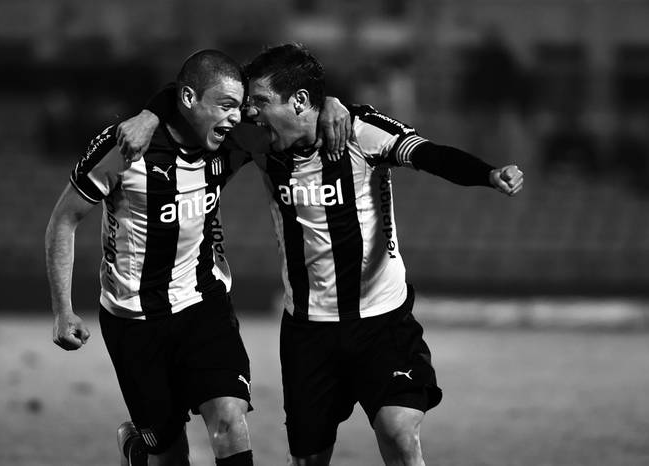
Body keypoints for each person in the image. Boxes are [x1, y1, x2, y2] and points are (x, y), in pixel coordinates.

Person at [120, 43, 523, 466]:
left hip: (382, 322)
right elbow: (188, 94)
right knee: (310, 460)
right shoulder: (261, 144)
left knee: (398, 429)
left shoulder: (360, 131)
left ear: (298, 102)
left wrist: (488, 174)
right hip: (308, 331)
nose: (248, 113)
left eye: (259, 101)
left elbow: (429, 155)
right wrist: (149, 114)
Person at [45, 49, 255, 466]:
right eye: (226, 105)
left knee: (230, 419)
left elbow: (293, 112)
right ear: (190, 98)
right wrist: (62, 310)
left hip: (204, 303)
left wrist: (336, 107)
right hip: (134, 320)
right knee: (167, 451)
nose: (235, 117)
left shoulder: (233, 142)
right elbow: (64, 220)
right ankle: (139, 448)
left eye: (239, 107)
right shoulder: (125, 147)